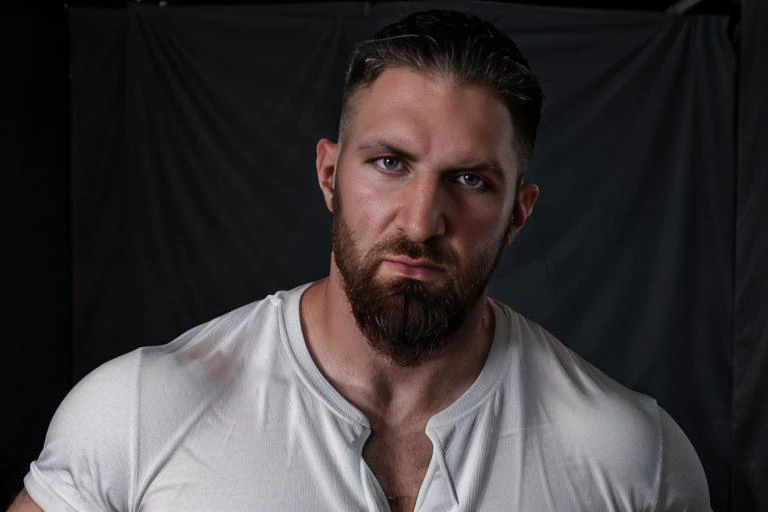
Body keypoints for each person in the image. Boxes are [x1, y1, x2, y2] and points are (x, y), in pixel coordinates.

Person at [11, 9, 711, 512]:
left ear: (519, 212)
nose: (420, 221)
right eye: (389, 163)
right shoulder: (143, 412)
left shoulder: (631, 458)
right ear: (328, 174)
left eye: (470, 180)